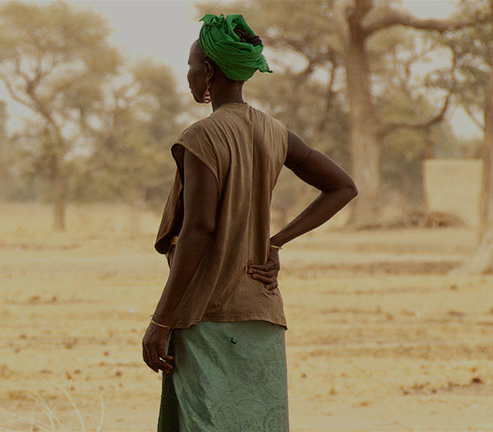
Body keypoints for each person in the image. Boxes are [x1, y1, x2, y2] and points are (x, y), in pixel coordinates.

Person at [142, 13, 358, 431]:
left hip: (206, 314)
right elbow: (342, 187)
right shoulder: (275, 132)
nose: (187, 74)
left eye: (191, 65)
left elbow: (199, 229)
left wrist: (160, 320)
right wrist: (275, 242)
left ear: (208, 70)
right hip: (262, 313)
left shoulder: (201, 137)